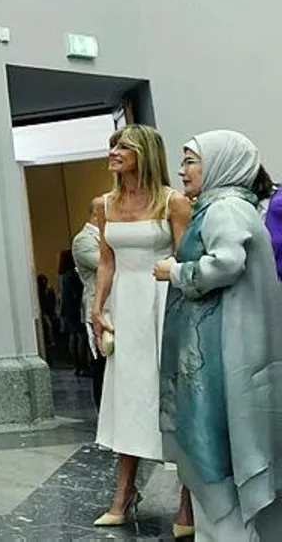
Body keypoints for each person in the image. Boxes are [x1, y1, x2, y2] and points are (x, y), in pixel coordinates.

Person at [153, 130, 282, 541]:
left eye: (191, 161)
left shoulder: (224, 208)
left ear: (221, 164)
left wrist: (175, 271)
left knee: (220, 449)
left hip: (225, 352)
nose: (182, 170)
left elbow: (226, 264)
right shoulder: (227, 206)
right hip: (223, 346)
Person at [89, 124, 193, 530]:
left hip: (164, 303)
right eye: (113, 146)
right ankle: (124, 493)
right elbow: (107, 261)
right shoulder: (104, 204)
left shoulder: (174, 202)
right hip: (125, 306)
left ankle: (188, 500)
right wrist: (97, 308)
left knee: (171, 397)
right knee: (128, 396)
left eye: (123, 147)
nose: (113, 152)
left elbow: (186, 259)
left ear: (144, 153)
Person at [72, 198, 105, 406]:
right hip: (97, 308)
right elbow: (104, 264)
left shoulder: (105, 237)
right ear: (96, 214)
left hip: (114, 306)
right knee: (102, 363)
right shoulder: (83, 240)